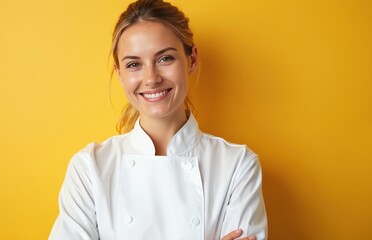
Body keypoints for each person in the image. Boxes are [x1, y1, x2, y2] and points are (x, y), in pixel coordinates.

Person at [49, 0, 267, 239]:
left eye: (165, 59)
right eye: (134, 64)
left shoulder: (237, 165)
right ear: (120, 73)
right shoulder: (90, 168)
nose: (151, 78)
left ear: (191, 60)